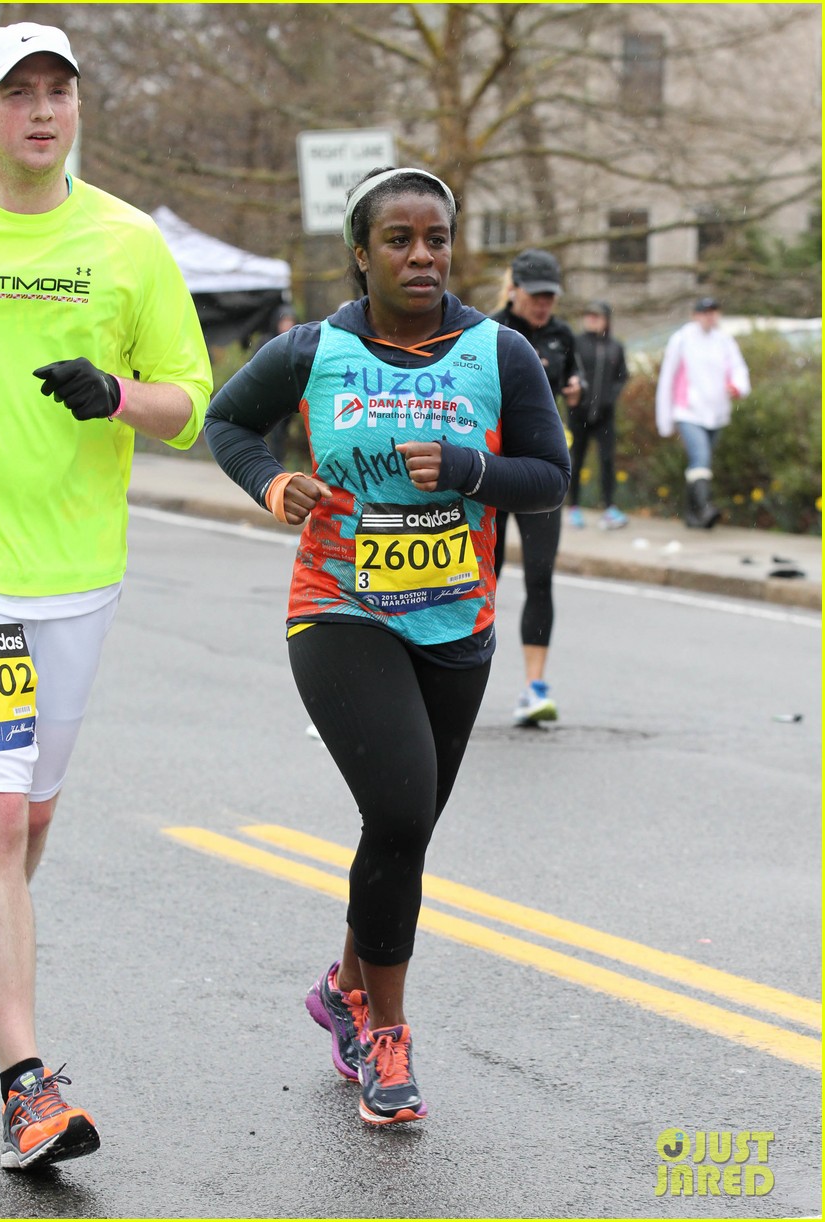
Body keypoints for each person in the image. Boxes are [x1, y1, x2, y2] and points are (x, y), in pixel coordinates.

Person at [205, 167, 570, 1126]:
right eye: (399, 240)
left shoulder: (500, 352)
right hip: (340, 607)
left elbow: (548, 478)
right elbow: (229, 423)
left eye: (436, 239)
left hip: (458, 621)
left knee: (400, 830)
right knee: (402, 808)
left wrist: (472, 469)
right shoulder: (314, 349)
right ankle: (386, 1039)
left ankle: (342, 986)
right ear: (360, 254)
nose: (422, 256)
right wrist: (270, 483)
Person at [0, 22, 212, 1170]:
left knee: (33, 818)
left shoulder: (127, 240)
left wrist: (116, 392)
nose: (42, 111)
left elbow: (192, 403)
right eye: (18, 93)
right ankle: (28, 1082)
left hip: (78, 573)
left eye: (59, 91)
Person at [490, 249, 581, 725]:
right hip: (493, 471)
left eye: (551, 296)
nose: (545, 304)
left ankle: (533, 687)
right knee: (485, 574)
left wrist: (575, 390)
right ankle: (455, 674)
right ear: (515, 290)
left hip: (542, 473)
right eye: (537, 295)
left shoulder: (563, 335)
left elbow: (573, 382)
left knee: (540, 577)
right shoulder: (488, 333)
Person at [655, 296, 750, 528]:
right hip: (688, 411)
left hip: (716, 412)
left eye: (713, 312)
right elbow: (668, 377)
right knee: (701, 457)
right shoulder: (682, 339)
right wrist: (664, 418)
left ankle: (691, 514)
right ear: (695, 315)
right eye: (705, 312)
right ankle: (705, 508)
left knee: (700, 464)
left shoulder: (724, 341)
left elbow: (738, 368)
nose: (709, 317)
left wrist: (738, 386)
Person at [567, 301, 630, 530]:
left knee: (606, 459)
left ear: (606, 320)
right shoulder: (576, 343)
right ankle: (573, 507)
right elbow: (567, 372)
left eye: (597, 316)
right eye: (589, 315)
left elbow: (622, 376)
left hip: (605, 414)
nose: (592, 319)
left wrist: (609, 398)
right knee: (576, 459)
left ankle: (609, 507)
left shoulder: (615, 346)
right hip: (578, 413)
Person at [257, 303, 298, 464]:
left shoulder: (299, 343)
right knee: (274, 432)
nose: (287, 325)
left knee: (282, 433)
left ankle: (277, 463)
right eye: (284, 321)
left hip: (290, 396)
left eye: (290, 321)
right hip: (270, 395)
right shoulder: (266, 342)